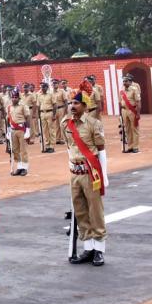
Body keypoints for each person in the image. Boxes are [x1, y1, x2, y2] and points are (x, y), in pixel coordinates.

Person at [62, 81, 109, 266]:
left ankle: (99, 249)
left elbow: (101, 150)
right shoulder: (65, 123)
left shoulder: (93, 123)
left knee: (95, 211)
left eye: (76, 103)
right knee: (80, 211)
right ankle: (88, 248)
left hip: (91, 173)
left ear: (84, 105)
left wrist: (104, 175)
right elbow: (69, 147)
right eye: (70, 103)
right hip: (75, 172)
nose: (72, 106)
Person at [6, 88, 32, 176]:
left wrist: (28, 130)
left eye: (15, 97)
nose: (14, 99)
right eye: (12, 97)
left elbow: (28, 117)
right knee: (15, 150)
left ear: (18, 98)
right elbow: (8, 119)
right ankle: (19, 167)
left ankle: (25, 167)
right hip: (13, 130)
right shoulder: (9, 107)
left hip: (21, 129)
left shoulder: (23, 106)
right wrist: (8, 130)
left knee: (23, 150)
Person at [119, 74, 140, 153]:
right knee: (127, 129)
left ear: (130, 82)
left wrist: (138, 113)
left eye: (126, 81)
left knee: (134, 129)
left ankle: (136, 147)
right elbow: (120, 102)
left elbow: (138, 102)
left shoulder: (134, 89)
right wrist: (120, 113)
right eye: (124, 81)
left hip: (132, 110)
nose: (124, 82)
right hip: (124, 111)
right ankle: (130, 146)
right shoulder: (122, 91)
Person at [36, 81, 56, 153]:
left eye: (44, 87)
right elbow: (38, 106)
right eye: (42, 87)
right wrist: (38, 115)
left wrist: (54, 115)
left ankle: (52, 146)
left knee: (51, 130)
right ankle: (47, 145)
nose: (43, 89)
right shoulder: (39, 95)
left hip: (50, 113)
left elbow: (54, 105)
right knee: (45, 130)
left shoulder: (50, 95)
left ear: (47, 88)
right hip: (42, 113)